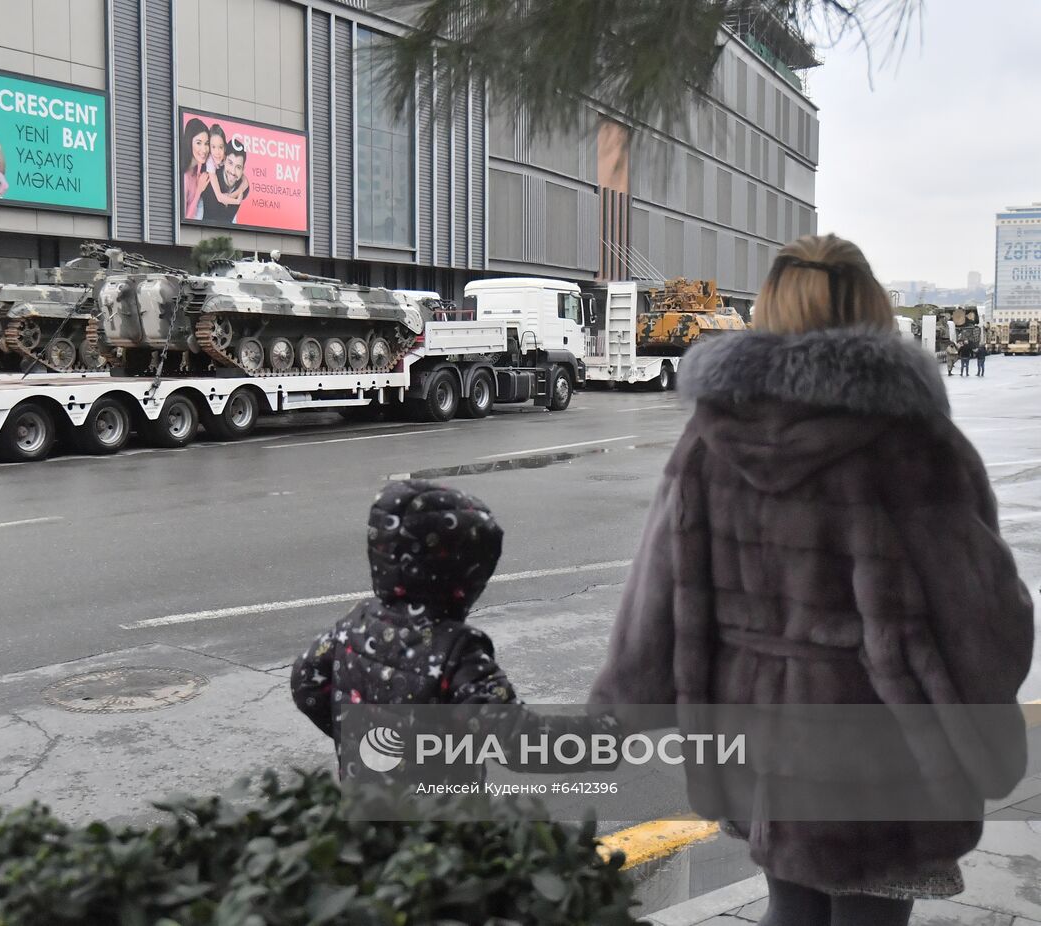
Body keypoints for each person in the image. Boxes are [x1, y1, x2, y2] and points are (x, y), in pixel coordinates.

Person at [589, 234, 1032, 926]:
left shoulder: (712, 436)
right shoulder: (911, 442)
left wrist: (624, 705)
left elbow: (656, 593)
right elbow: (983, 614)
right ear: (872, 310)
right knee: (870, 913)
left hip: (755, 731)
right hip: (875, 740)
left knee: (790, 902)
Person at [292, 479, 618, 779]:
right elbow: (518, 739)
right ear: (461, 577)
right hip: (442, 829)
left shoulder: (356, 621)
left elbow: (306, 681)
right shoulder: (457, 650)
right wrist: (604, 736)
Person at [200, 139, 250, 225]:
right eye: (230, 163)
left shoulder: (243, 188)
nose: (233, 171)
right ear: (224, 160)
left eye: (238, 167)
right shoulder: (209, 181)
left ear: (243, 170)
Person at [180, 118, 211, 222]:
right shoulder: (184, 178)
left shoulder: (197, 170)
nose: (204, 149)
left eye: (206, 143)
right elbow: (186, 219)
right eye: (199, 143)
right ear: (189, 142)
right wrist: (199, 190)